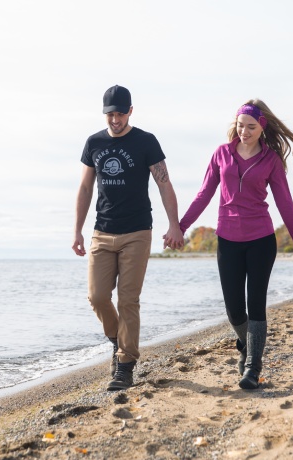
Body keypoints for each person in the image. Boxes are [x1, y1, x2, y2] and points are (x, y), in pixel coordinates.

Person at [178, 99, 293, 390]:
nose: (244, 131)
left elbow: (286, 207)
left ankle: (253, 366)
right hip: (227, 239)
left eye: (251, 127)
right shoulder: (221, 154)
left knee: (256, 303)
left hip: (261, 240)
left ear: (262, 127)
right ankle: (247, 343)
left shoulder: (271, 161)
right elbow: (204, 194)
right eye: (240, 125)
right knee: (233, 309)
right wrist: (180, 227)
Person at [73, 85, 184, 391]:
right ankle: (117, 340)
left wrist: (175, 225)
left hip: (137, 232)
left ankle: (125, 365)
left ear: (130, 112)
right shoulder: (93, 142)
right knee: (96, 297)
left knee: (128, 299)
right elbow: (84, 189)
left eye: (121, 113)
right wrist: (77, 231)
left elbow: (164, 183)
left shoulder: (146, 141)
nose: (115, 119)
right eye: (110, 114)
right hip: (102, 232)